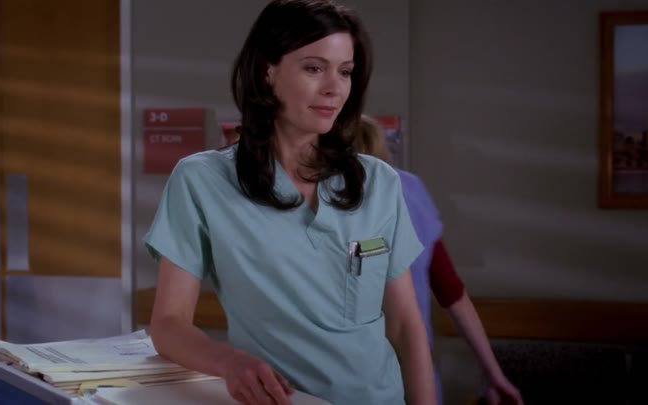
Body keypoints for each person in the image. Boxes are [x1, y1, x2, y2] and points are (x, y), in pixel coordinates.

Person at [143, 1, 436, 404]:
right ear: (268, 71)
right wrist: (230, 363)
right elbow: (168, 324)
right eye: (314, 68)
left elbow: (405, 327)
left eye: (345, 71)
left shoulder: (379, 182)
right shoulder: (202, 181)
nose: (334, 88)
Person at [354, 115, 523, 405]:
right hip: (417, 374)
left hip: (365, 377)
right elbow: (451, 292)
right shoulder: (409, 190)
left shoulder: (336, 203)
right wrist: (493, 372)